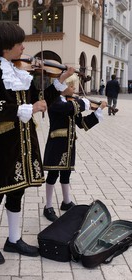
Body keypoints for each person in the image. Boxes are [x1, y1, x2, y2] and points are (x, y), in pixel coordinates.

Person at [0, 22, 75, 265]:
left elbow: (39, 100)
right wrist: (24, 108)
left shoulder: (21, 71)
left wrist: (59, 81)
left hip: (24, 143)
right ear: (6, 46)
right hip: (2, 144)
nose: (23, 47)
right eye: (19, 43)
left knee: (17, 192)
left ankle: (14, 239)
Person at [43, 75, 107, 222]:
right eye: (72, 87)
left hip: (69, 144)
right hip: (57, 144)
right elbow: (66, 108)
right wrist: (82, 102)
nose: (75, 90)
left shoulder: (71, 103)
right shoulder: (55, 101)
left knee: (66, 174)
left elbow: (82, 123)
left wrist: (98, 112)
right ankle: (48, 206)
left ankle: (66, 202)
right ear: (64, 87)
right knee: (53, 175)